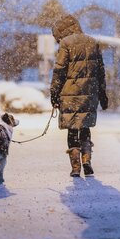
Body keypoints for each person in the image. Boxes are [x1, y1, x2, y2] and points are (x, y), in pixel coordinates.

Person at [50, 14, 108, 177]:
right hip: (90, 93)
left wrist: (54, 94)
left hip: (69, 94)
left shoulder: (65, 44)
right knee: (84, 128)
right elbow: (100, 72)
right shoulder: (92, 42)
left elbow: (59, 71)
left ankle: (76, 167)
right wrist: (102, 94)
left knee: (72, 130)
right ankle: (87, 160)